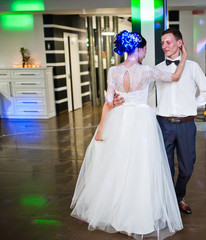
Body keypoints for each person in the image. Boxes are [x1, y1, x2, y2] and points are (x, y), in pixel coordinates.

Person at [70, 30, 187, 239]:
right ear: (139, 49)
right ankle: (140, 214)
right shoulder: (148, 71)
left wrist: (100, 129)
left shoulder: (113, 71)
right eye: (144, 50)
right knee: (141, 166)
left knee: (119, 165)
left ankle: (117, 212)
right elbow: (176, 76)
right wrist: (184, 56)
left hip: (119, 119)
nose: (145, 54)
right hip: (142, 121)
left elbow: (108, 101)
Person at [114, 28, 206, 215]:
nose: (164, 46)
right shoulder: (156, 69)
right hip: (163, 124)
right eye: (162, 43)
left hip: (186, 124)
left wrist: (192, 105)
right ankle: (169, 203)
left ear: (180, 43)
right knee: (165, 169)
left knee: (187, 167)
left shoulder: (192, 67)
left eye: (168, 42)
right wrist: (124, 100)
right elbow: (145, 93)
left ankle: (178, 196)